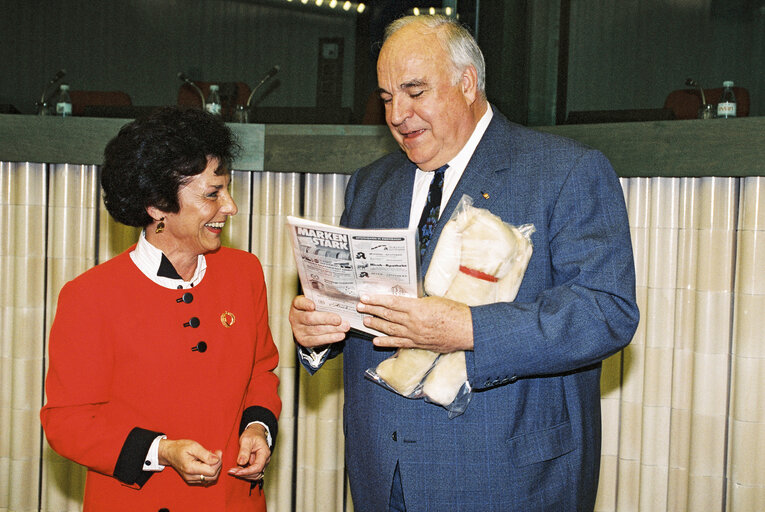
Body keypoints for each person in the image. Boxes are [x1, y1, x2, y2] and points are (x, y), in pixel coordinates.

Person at [289, 14, 639, 512]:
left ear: (467, 82)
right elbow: (359, 309)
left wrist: (471, 329)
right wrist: (317, 334)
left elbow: (606, 312)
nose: (396, 114)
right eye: (387, 97)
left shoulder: (566, 171)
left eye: (414, 91)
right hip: (383, 474)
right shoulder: (370, 183)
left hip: (508, 476)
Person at [40, 107, 281, 511]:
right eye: (212, 193)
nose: (231, 206)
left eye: (227, 188)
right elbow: (67, 423)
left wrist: (257, 428)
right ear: (157, 205)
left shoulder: (245, 274)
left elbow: (261, 371)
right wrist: (161, 451)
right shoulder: (90, 297)